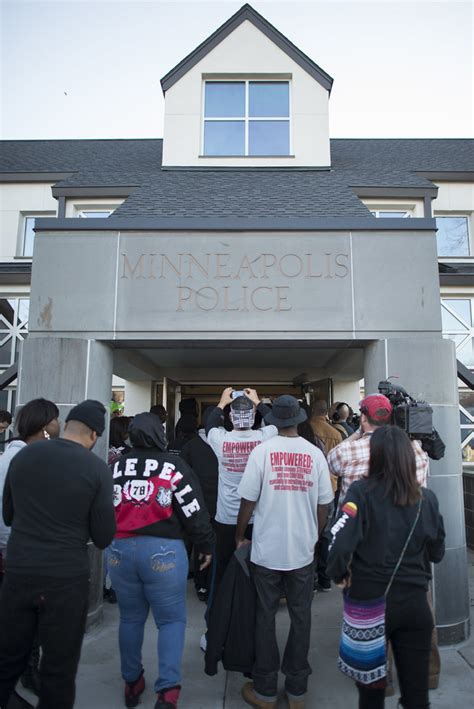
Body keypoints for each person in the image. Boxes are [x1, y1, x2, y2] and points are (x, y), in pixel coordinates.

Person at [0, 399, 116, 709]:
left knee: (7, 658)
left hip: (19, 570)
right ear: (94, 434)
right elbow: (104, 537)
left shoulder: (23, 456)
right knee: (58, 670)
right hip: (66, 578)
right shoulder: (97, 469)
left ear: (65, 426)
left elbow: (9, 515)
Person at [327, 426, 445, 709]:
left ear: (376, 455)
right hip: (415, 605)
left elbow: (339, 541)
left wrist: (339, 573)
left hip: (368, 606)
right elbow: (437, 552)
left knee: (371, 695)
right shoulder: (425, 499)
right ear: (408, 456)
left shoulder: (360, 492)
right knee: (417, 697)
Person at [108, 412, 215, 709]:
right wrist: (205, 544)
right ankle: (167, 692)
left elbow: (102, 506)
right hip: (163, 551)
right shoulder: (173, 465)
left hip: (119, 550)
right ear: (159, 434)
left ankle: (132, 682)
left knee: (129, 618)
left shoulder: (115, 467)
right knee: (170, 621)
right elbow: (193, 508)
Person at [236, 395, 334, 709]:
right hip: (302, 552)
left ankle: (264, 689)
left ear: (273, 421)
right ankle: (297, 691)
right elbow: (324, 504)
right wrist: (314, 536)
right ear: (299, 419)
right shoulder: (314, 455)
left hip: (266, 550)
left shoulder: (262, 452)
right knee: (301, 617)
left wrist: (240, 535)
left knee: (264, 617)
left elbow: (248, 500)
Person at [206, 387, 277, 588]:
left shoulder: (221, 439)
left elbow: (210, 423)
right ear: (254, 415)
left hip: (227, 517)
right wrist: (258, 402)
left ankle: (224, 608)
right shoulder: (264, 437)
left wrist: (221, 403)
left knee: (224, 568)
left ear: (230, 416)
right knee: (258, 569)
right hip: (257, 517)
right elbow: (275, 422)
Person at [327, 394, 429, 510]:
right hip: (404, 524)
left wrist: (357, 433)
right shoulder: (415, 450)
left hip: (358, 524)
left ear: (364, 418)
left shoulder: (347, 451)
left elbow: (330, 460)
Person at [180, 408, 219, 601]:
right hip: (224, 506)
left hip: (198, 505)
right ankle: (217, 583)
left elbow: (182, 477)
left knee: (201, 544)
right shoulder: (227, 443)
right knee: (221, 546)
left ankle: (201, 585)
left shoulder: (191, 445)